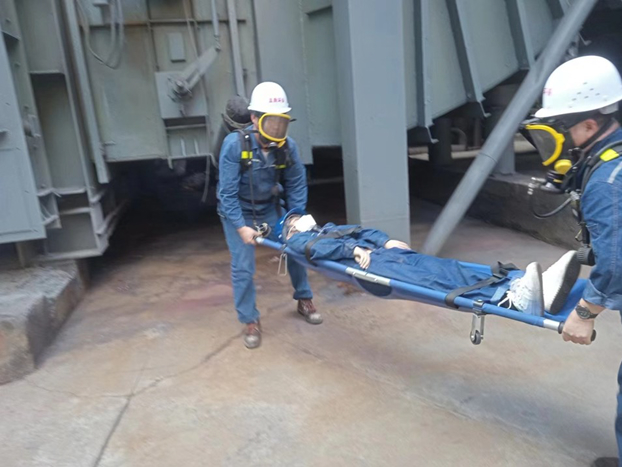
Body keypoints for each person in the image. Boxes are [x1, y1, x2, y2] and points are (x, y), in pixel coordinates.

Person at [523, 55, 622, 467]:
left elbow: (616, 263)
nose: (553, 147)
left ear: (589, 126)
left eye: (556, 133)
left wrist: (584, 312)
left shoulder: (606, 181)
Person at [275, 209, 581, 316]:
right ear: (289, 229)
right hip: (373, 270)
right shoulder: (297, 241)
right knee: (437, 282)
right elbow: (314, 248)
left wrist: (385, 240)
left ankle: (519, 284)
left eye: (299, 217)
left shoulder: (328, 228)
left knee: (447, 268)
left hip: (386, 256)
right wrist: (352, 250)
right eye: (294, 221)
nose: (300, 219)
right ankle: (515, 301)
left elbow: (360, 231)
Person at [218, 82, 320, 349]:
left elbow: (296, 184)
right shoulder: (234, 145)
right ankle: (250, 319)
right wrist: (240, 227)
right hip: (239, 211)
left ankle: (304, 298)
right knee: (243, 267)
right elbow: (226, 194)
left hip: (270, 209)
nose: (276, 128)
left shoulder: (287, 147)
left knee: (296, 247)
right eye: (270, 121)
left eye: (281, 122)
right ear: (254, 118)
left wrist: (295, 217)